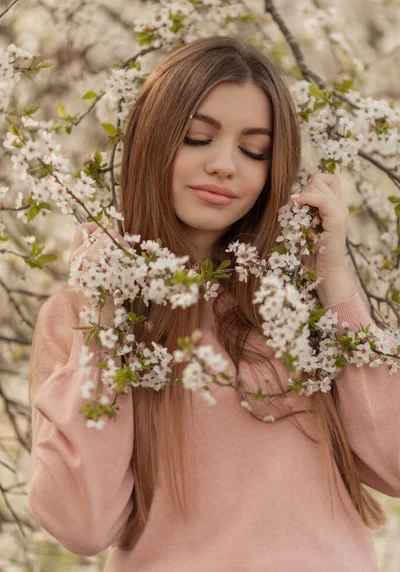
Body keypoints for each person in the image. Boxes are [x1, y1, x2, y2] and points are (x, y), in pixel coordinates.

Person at [28, 36, 400, 572]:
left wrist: (335, 281)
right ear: (154, 142)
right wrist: (104, 318)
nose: (225, 165)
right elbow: (82, 523)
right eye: (198, 138)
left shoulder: (296, 302)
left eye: (255, 151)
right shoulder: (81, 315)